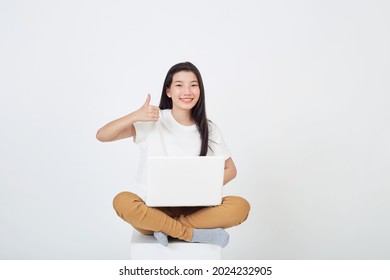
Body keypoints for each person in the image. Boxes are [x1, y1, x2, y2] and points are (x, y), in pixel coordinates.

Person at [96, 62, 250, 247]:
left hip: (196, 210)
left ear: (200, 90)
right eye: (179, 85)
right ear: (168, 91)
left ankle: (166, 229)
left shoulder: (210, 128)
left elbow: (230, 170)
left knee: (240, 207)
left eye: (193, 85)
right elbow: (102, 135)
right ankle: (190, 233)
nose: (187, 91)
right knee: (122, 201)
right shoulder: (152, 120)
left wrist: (201, 186)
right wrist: (135, 115)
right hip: (154, 209)